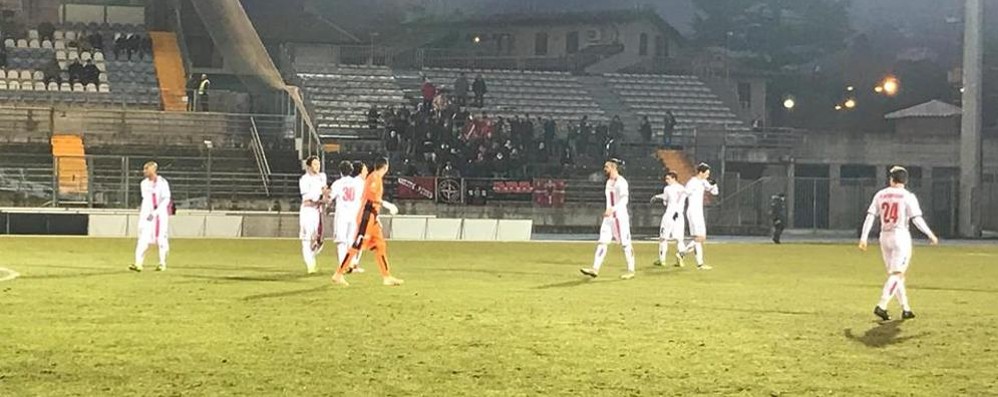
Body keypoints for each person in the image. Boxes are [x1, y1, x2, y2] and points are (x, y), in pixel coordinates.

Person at [859, 166, 939, 321]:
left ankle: (906, 308)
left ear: (891, 179)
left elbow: (870, 216)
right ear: (905, 181)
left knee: (896, 275)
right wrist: (930, 234)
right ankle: (882, 305)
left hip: (884, 236)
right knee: (897, 274)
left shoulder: (880, 194)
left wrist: (864, 237)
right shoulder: (907, 196)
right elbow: (916, 218)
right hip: (900, 236)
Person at [332, 157, 404, 287]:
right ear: (386, 167)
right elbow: (371, 196)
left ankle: (386, 276)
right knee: (357, 245)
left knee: (380, 245)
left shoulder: (376, 177)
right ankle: (338, 273)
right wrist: (386, 204)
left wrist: (376, 217)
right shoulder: (374, 177)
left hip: (372, 216)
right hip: (366, 215)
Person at [580, 159, 636, 280]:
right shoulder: (609, 182)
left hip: (619, 217)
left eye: (607, 166)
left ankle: (631, 270)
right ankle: (595, 268)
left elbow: (624, 200)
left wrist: (613, 209)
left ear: (613, 167)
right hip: (609, 218)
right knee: (602, 242)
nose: (604, 169)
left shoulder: (622, 182)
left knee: (626, 244)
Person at [130, 162, 171, 272]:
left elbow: (166, 199)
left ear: (153, 169)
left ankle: (162, 263)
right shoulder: (143, 183)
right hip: (147, 215)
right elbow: (146, 199)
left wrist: (156, 212)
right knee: (143, 238)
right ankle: (138, 263)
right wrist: (146, 213)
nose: (144, 171)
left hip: (160, 215)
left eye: (146, 169)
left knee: (161, 239)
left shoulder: (162, 183)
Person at [678, 163, 718, 270]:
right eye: (707, 173)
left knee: (701, 238)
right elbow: (684, 194)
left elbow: (714, 192)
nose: (708, 176)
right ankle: (688, 257)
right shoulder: (692, 183)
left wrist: (714, 184)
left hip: (699, 212)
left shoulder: (703, 182)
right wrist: (679, 210)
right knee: (698, 238)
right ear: (701, 172)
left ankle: (692, 259)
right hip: (693, 212)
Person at [329, 160, 366, 273]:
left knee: (341, 241)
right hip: (354, 215)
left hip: (342, 215)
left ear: (340, 171)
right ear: (351, 171)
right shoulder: (357, 183)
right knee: (352, 240)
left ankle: (343, 265)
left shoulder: (337, 183)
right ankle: (352, 264)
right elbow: (363, 198)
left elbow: (330, 198)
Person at [298, 156, 329, 274]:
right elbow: (307, 199)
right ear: (309, 166)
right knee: (306, 239)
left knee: (319, 240)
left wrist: (326, 200)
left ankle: (311, 256)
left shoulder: (322, 177)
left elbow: (325, 191)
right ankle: (310, 265)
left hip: (318, 211)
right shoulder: (304, 180)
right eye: (315, 164)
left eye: (319, 164)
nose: (318, 166)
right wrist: (321, 200)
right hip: (308, 211)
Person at [651, 171, 688, 266]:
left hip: (669, 214)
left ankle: (662, 260)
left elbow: (665, 199)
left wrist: (656, 196)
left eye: (668, 179)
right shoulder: (683, 189)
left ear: (674, 178)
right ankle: (680, 259)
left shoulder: (667, 188)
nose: (666, 180)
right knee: (679, 239)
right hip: (679, 215)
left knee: (663, 238)